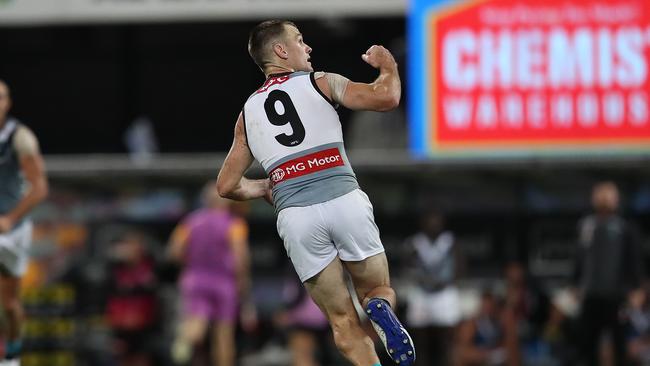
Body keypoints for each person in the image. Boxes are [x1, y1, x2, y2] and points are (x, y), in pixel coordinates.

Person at [216, 20, 414, 366]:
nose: (307, 48)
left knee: (342, 323)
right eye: (300, 40)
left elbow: (227, 186)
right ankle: (379, 307)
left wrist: (265, 186)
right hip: (342, 199)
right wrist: (388, 65)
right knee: (376, 291)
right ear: (281, 51)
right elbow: (387, 97)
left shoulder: (247, 114)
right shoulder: (320, 81)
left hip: (296, 216)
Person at [167, 182, 253, 366]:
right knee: (224, 335)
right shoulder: (235, 224)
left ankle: (184, 343)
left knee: (195, 325)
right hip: (224, 282)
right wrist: (244, 286)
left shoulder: (190, 222)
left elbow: (174, 251)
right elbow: (240, 259)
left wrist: (191, 262)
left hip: (195, 278)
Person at [0, 80, 49, 365]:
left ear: (8, 102)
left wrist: (10, 219)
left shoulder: (20, 139)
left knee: (9, 304)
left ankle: (13, 354)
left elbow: (39, 187)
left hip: (11, 232)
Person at [574, 181, 644, 366]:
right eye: (600, 196)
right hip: (591, 294)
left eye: (608, 196)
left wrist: (636, 288)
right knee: (588, 344)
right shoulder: (586, 226)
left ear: (615, 200)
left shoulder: (624, 227)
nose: (604, 200)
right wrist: (575, 284)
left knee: (619, 343)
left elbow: (633, 259)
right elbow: (580, 259)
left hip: (616, 295)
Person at [402, 211, 462, 365]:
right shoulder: (415, 243)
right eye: (431, 220)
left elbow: (460, 264)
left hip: (444, 292)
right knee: (420, 340)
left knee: (447, 339)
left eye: (437, 220)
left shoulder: (449, 241)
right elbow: (407, 266)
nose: (434, 224)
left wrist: (449, 280)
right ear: (423, 222)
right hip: (422, 292)